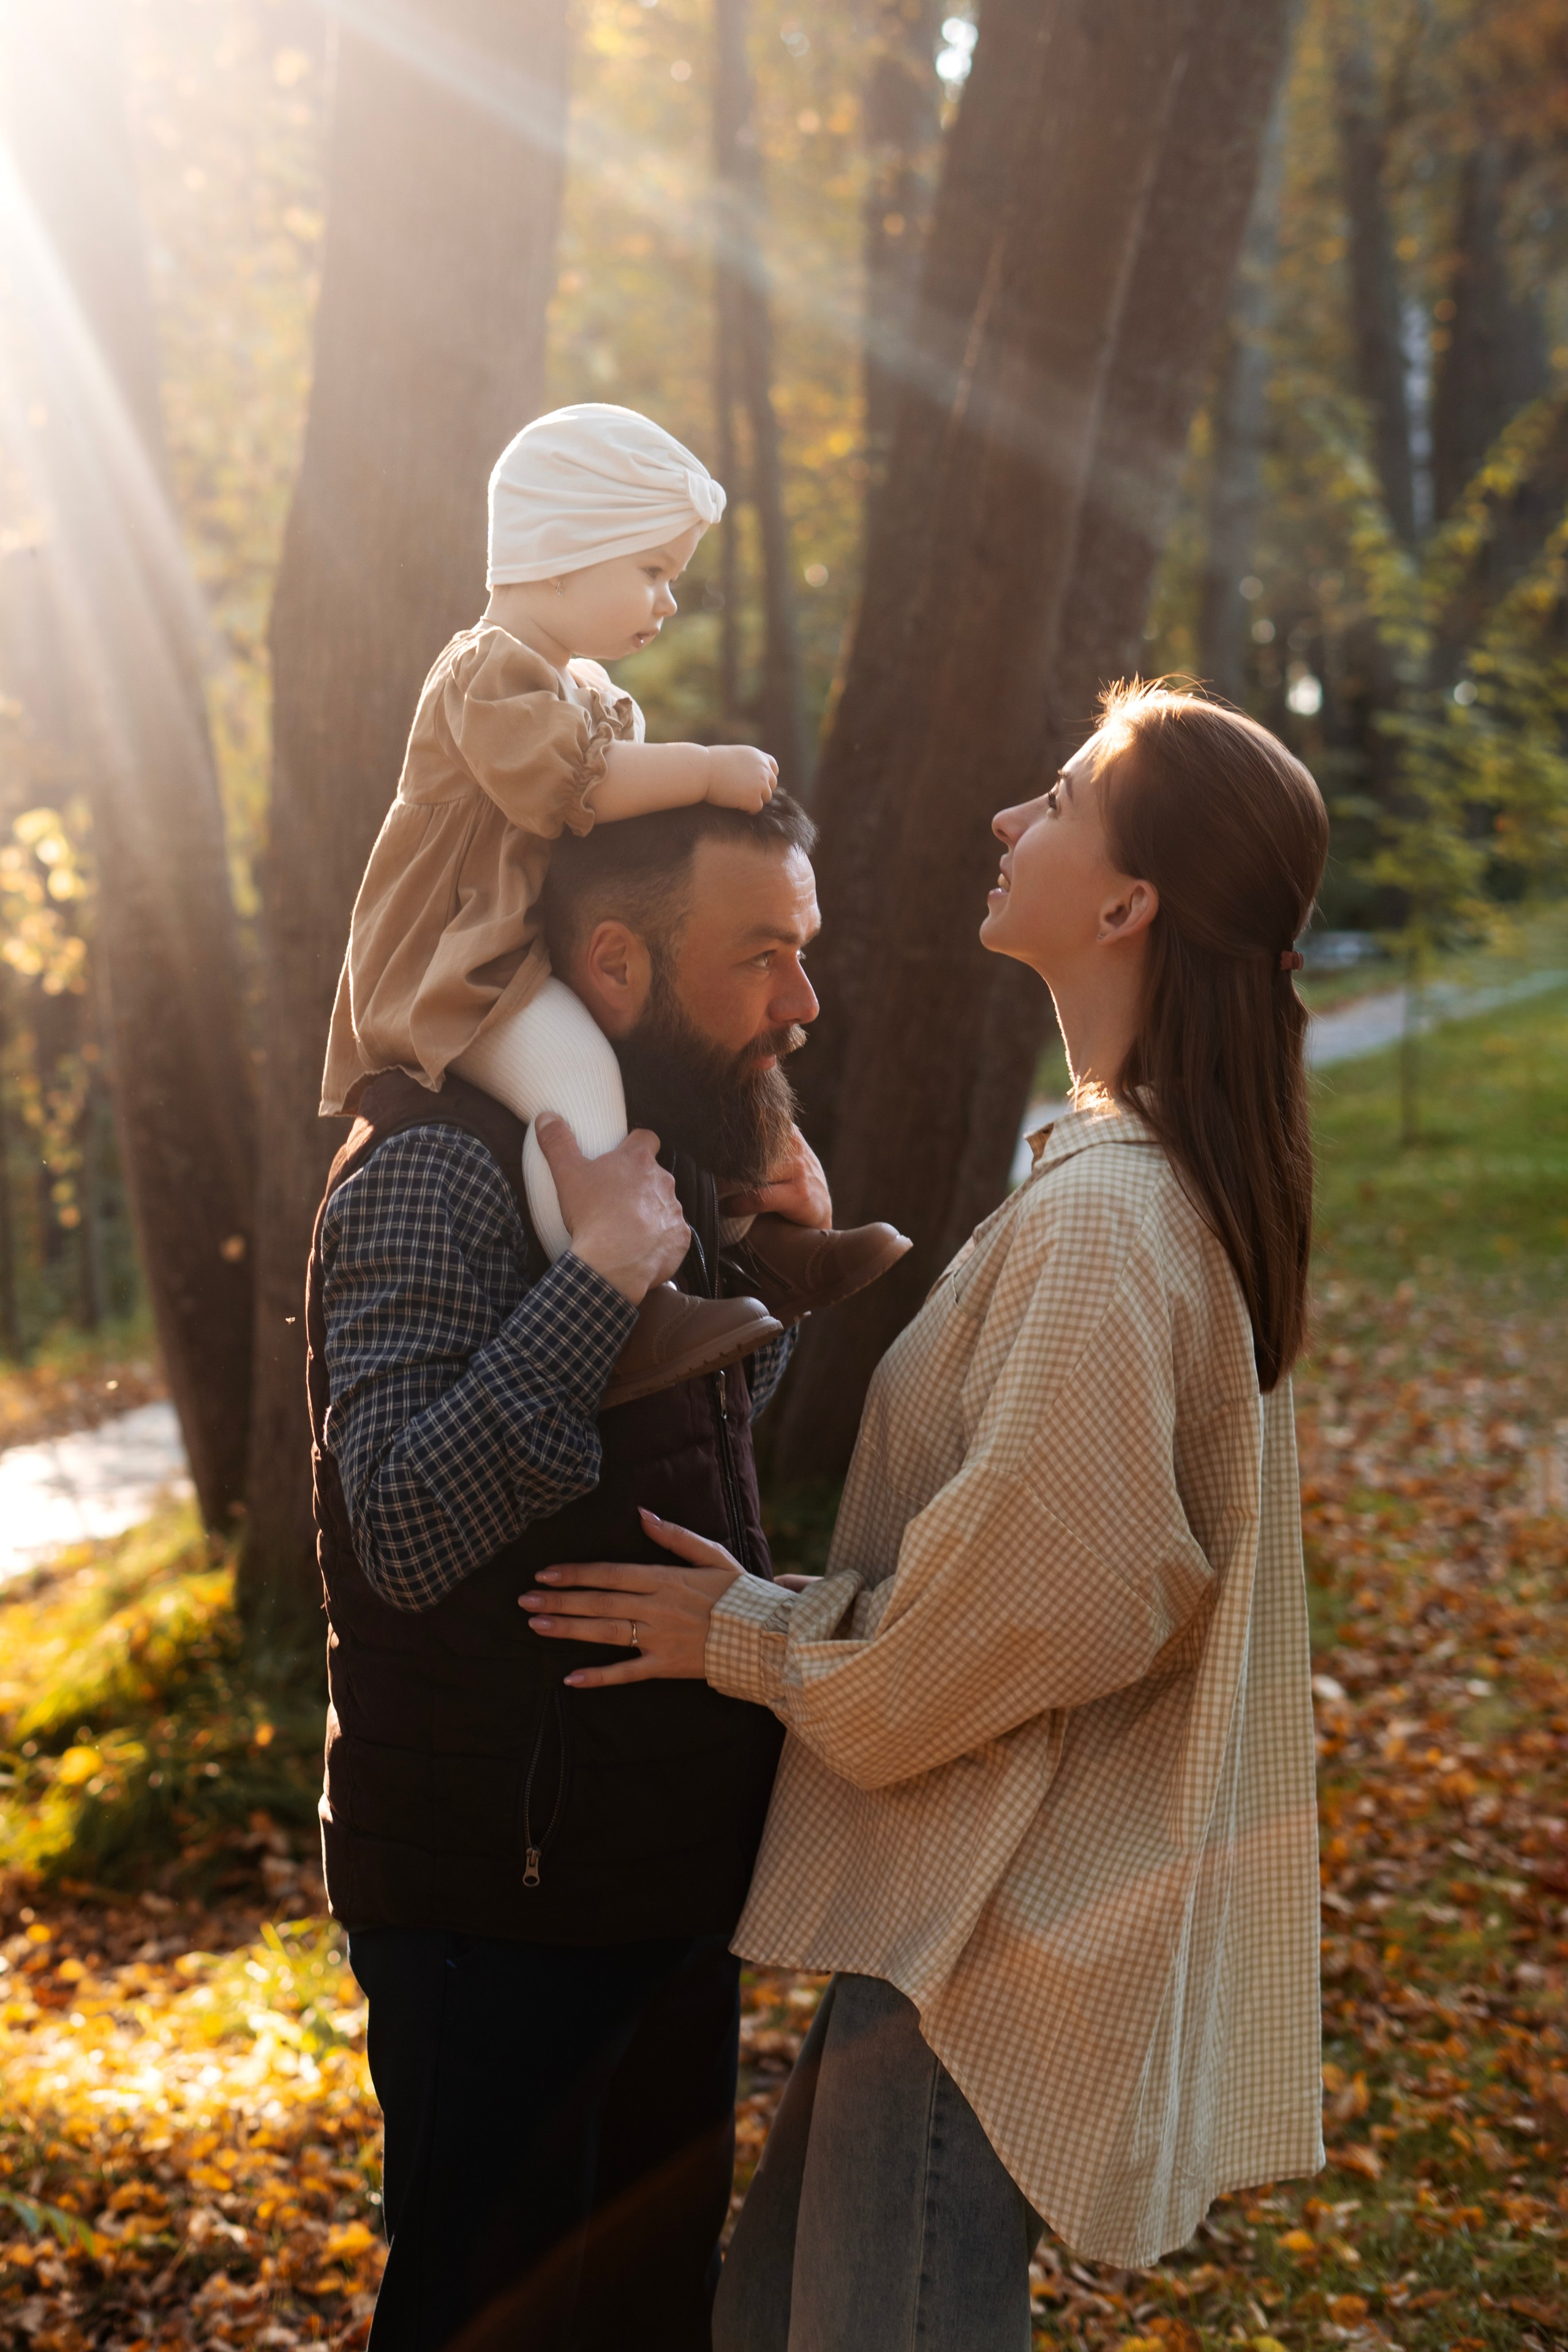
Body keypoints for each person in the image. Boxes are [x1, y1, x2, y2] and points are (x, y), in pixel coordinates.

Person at [518, 681, 1331, 2343]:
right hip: (965, 1919)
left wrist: (748, 1638)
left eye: (1057, 793)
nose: (1004, 821)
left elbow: (1036, 1598)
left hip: (996, 1940)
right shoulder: (1121, 1174)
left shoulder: (1113, 1216)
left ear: (1127, 905)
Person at [311, 791, 854, 2352]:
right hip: (501, 1902)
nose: (800, 1006)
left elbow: (643, 1456)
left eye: (802, 956)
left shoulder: (633, 1157)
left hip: (653, 1876)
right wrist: (610, 1274)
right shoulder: (438, 1165)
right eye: (763, 957)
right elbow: (402, 1524)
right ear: (613, 963)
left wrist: (746, 1281)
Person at [320, 401, 905, 1408]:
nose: (669, 601)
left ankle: (763, 1246)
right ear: (558, 555)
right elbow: (573, 789)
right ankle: (629, 1307)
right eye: (651, 572)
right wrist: (710, 769)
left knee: (698, 1061)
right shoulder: (484, 673)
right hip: (468, 972)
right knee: (582, 1082)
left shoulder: (580, 685)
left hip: (529, 947)